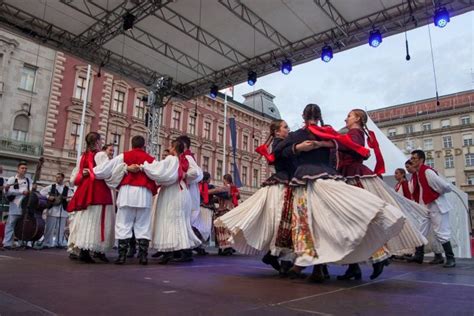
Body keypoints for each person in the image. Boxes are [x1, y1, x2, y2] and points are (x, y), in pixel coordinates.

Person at [273, 103, 405, 282]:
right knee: (333, 220)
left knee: (309, 222)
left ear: (302, 116)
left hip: (305, 180)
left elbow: (278, 151)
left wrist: (299, 148)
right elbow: (338, 150)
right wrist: (319, 145)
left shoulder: (300, 135)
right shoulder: (328, 133)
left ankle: (312, 266)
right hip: (328, 178)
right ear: (319, 117)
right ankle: (326, 266)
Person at [335, 109, 426, 280]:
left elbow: (352, 149)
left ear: (358, 119)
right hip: (348, 174)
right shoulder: (354, 133)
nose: (345, 118)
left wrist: (332, 139)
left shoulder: (355, 133)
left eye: (349, 116)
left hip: (353, 176)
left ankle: (377, 258)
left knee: (356, 220)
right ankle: (355, 265)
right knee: (350, 222)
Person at [214, 119, 295, 274]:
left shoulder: (280, 143)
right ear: (277, 131)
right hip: (284, 184)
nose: (288, 129)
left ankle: (277, 255)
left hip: (283, 183)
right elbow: (275, 158)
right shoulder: (280, 144)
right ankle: (279, 256)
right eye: (285, 127)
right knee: (283, 220)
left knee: (281, 220)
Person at [94, 135, 157, 265]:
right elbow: (159, 172)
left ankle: (122, 256)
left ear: (132, 144)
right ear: (143, 145)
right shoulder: (150, 159)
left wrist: (92, 171)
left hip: (127, 193)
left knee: (123, 224)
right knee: (143, 225)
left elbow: (107, 168)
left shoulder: (124, 156)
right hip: (144, 194)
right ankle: (143, 256)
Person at [142, 139, 202, 264]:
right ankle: (179, 251)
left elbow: (196, 173)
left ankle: (173, 252)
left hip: (174, 191)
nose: (168, 148)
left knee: (171, 220)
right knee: (177, 221)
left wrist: (143, 166)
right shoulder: (181, 159)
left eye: (170, 146)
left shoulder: (179, 159)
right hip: (179, 190)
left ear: (174, 148)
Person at [66, 132, 115, 263]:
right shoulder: (100, 155)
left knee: (86, 219)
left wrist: (87, 173)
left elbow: (76, 176)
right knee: (98, 220)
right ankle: (91, 250)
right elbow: (106, 171)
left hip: (85, 189)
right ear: (98, 141)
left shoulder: (83, 156)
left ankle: (84, 249)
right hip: (99, 190)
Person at [407, 149, 455, 268]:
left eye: (414, 158)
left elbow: (445, 186)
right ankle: (419, 255)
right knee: (421, 230)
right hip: (426, 205)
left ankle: (450, 258)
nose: (411, 160)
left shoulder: (427, 171)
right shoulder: (417, 173)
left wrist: (437, 194)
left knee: (441, 232)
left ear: (421, 160)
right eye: (411, 158)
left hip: (436, 205)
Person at [176, 135, 203, 262]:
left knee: (184, 222)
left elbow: (197, 174)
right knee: (183, 222)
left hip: (188, 193)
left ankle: (186, 251)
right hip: (187, 192)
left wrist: (184, 176)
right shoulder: (185, 157)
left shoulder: (187, 157)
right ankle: (181, 250)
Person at [3, 162, 32, 249]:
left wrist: (29, 192)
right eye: (22, 168)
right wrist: (21, 192)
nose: (24, 170)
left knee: (24, 226)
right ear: (18, 169)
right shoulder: (12, 179)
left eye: (25, 168)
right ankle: (7, 244)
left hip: (25, 206)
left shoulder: (28, 180)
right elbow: (7, 192)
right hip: (14, 206)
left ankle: (23, 243)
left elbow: (30, 191)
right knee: (10, 225)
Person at [39, 173, 73, 248]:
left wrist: (68, 199)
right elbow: (42, 192)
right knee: (49, 228)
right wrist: (48, 196)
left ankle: (59, 242)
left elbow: (72, 196)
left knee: (60, 229)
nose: (58, 179)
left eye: (60, 177)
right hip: (52, 210)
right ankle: (47, 242)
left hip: (62, 210)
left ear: (63, 178)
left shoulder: (66, 188)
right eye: (57, 177)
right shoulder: (52, 186)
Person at [209, 174, 240, 256]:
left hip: (224, 210)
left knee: (222, 230)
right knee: (228, 230)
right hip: (230, 210)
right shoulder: (234, 189)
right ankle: (227, 247)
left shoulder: (226, 187)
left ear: (225, 180)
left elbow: (216, 191)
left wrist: (205, 191)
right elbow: (236, 197)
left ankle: (226, 247)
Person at [192, 171, 215, 255]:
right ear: (208, 179)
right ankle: (199, 246)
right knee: (205, 229)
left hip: (198, 208)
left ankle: (197, 245)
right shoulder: (210, 187)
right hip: (206, 210)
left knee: (198, 227)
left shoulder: (197, 186)